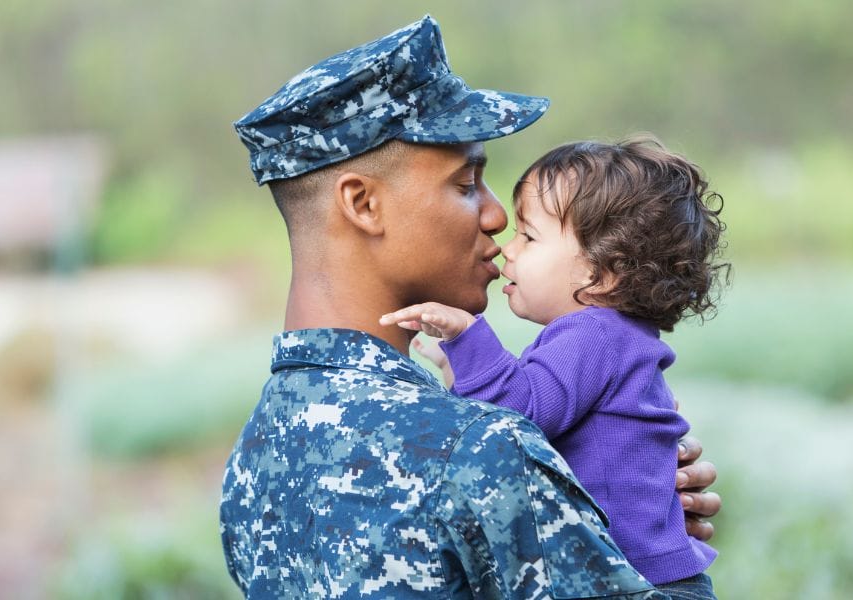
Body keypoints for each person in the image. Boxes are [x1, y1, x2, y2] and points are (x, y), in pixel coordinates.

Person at [220, 15, 720, 599]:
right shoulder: (480, 450)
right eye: (465, 184)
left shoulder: (252, 459)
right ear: (362, 203)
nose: (497, 217)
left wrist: (618, 506)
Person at [380, 137, 726, 598]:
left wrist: (469, 337)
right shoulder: (610, 337)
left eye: (529, 236)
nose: (508, 249)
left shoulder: (595, 335)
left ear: (600, 273)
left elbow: (517, 415)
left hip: (635, 584)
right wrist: (457, 362)